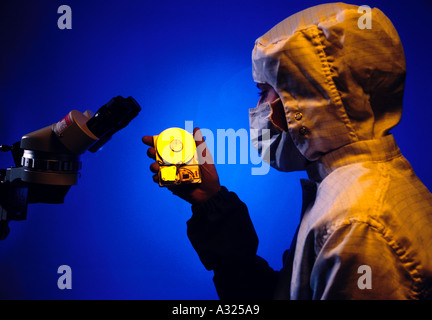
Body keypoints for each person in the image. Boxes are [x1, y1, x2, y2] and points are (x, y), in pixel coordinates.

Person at [142, 3, 432, 299]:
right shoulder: (347, 192)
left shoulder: (356, 225)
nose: (257, 110)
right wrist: (212, 202)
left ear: (307, 100)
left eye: (263, 92)